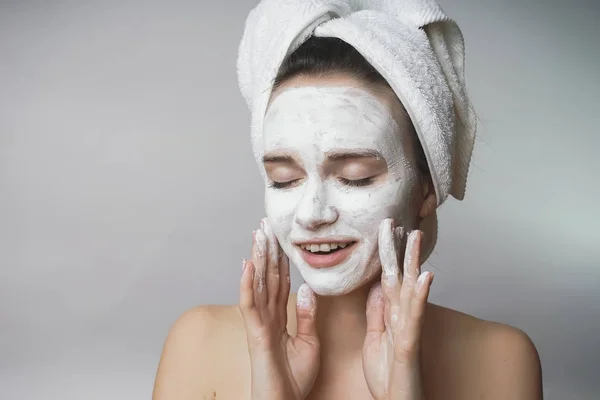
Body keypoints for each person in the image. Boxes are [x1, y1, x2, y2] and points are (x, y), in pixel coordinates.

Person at [152, 12, 543, 400]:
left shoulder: (500, 360)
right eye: (285, 180)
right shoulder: (199, 345)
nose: (311, 213)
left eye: (355, 176)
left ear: (426, 188)